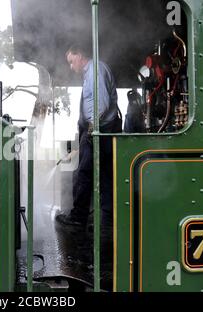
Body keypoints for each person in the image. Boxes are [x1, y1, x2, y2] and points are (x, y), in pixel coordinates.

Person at [55, 44, 122, 290]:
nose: (71, 67)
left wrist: (91, 130)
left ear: (80, 56)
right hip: (102, 131)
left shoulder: (95, 70)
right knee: (104, 178)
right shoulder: (93, 71)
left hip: (99, 131)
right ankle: (106, 223)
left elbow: (100, 102)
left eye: (72, 61)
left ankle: (78, 218)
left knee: (83, 174)